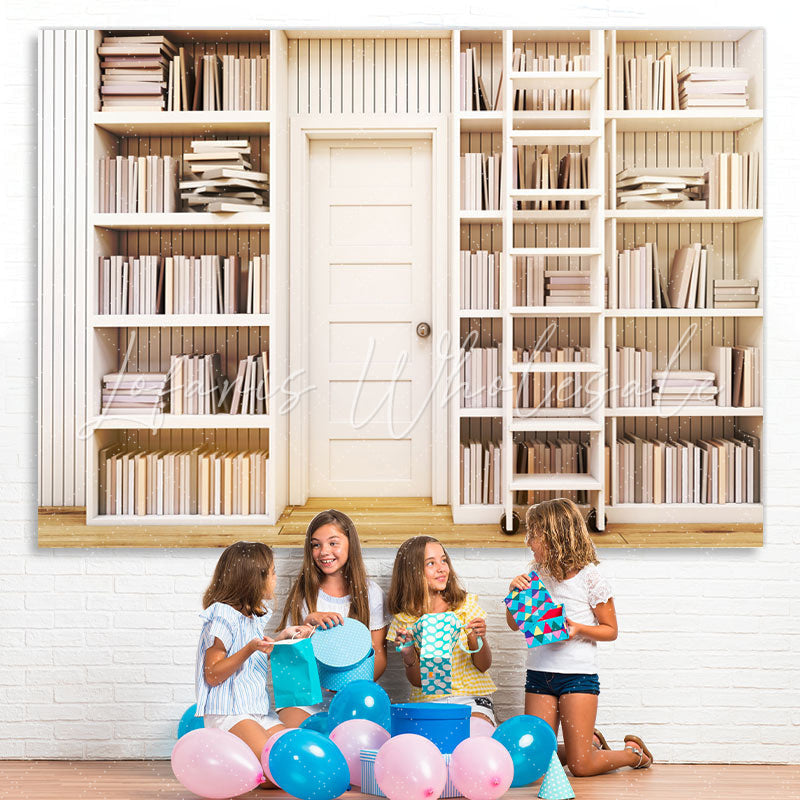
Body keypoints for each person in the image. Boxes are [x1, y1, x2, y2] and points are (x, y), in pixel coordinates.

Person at [507, 498, 653, 776]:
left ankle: (633, 755)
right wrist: (514, 593)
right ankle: (589, 744)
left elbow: (610, 630)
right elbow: (515, 625)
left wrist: (577, 629)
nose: (528, 542)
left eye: (534, 535)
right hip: (539, 675)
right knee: (536, 759)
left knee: (580, 767)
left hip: (577, 677)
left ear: (554, 538)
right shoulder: (535, 574)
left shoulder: (590, 578)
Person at [195, 540, 313, 785]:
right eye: (272, 573)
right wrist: (250, 648)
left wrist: (280, 639)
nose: (276, 578)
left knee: (295, 760)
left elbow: (250, 660)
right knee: (275, 772)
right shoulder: (222, 615)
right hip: (230, 713)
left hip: (258, 711)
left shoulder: (251, 617)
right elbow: (212, 674)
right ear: (253, 579)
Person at [277, 509, 389, 726]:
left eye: (333, 543)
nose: (324, 552)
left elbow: (379, 656)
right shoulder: (304, 595)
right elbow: (289, 661)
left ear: (350, 544)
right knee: (294, 735)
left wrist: (348, 687)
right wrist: (306, 628)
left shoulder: (371, 593)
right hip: (306, 697)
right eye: (316, 545)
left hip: (353, 695)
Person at [387, 535, 496, 725]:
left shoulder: (464, 606)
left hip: (471, 699)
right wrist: (409, 655)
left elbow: (483, 665)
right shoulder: (405, 620)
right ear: (411, 572)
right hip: (429, 702)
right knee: (430, 739)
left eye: (443, 560)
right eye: (431, 563)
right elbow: (418, 682)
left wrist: (478, 638)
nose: (442, 568)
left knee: (474, 733)